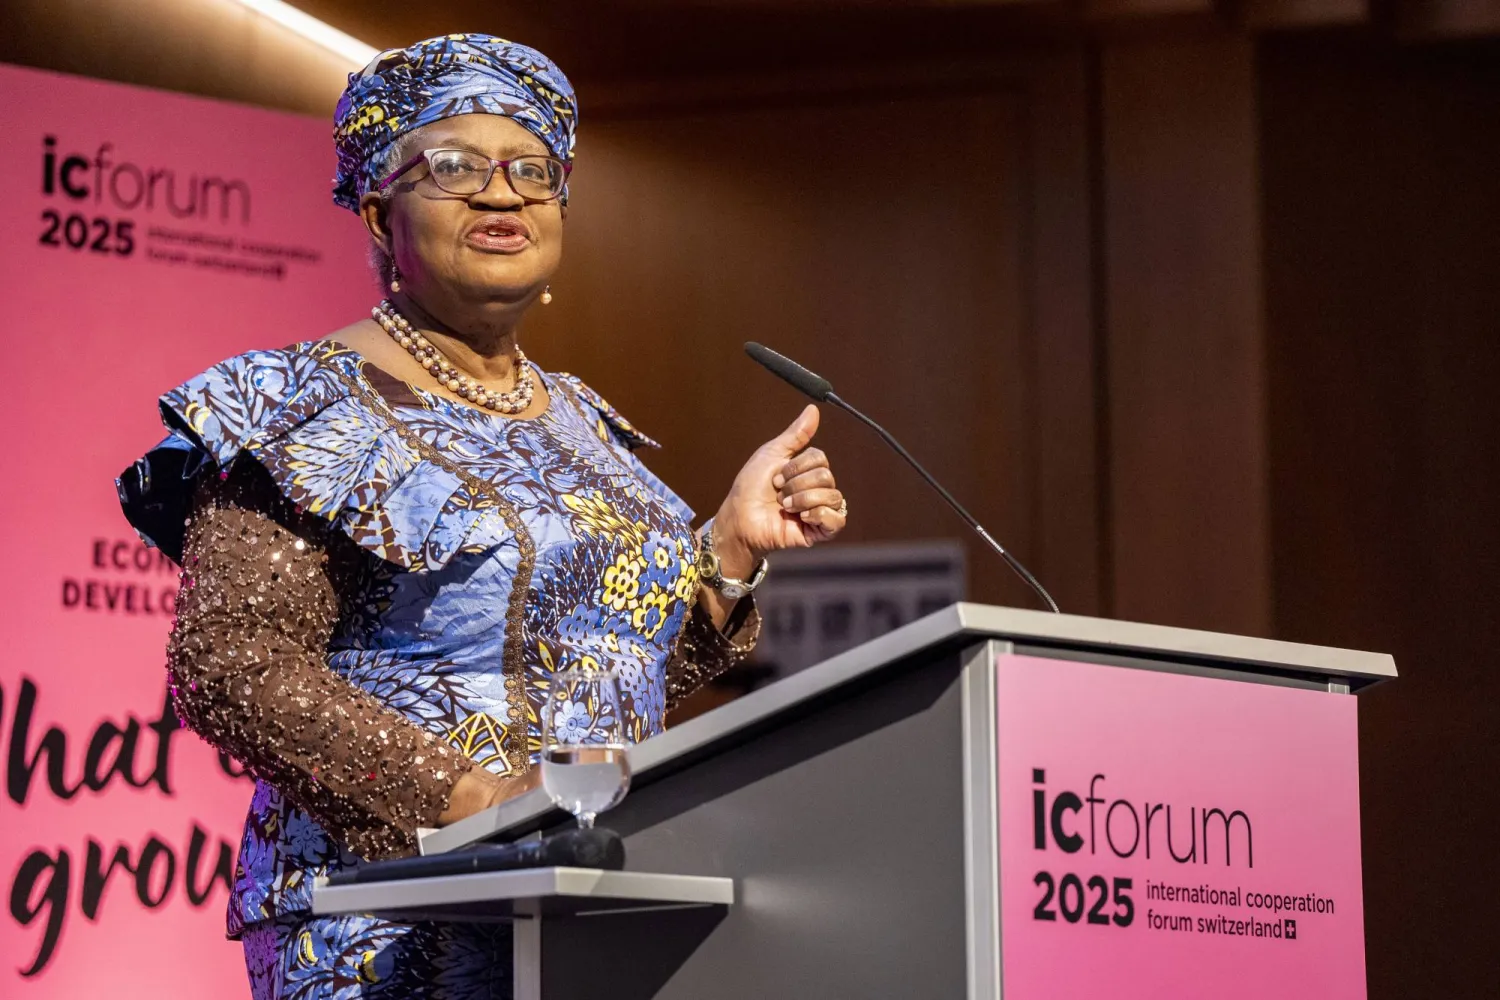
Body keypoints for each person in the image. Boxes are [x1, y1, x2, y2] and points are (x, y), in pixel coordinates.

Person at [117, 34, 847, 999]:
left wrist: (726, 552)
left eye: (533, 171)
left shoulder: (588, 427)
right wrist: (477, 807)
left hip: (583, 906)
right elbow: (233, 667)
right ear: (381, 212)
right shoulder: (289, 405)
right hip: (386, 922)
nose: (502, 195)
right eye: (456, 167)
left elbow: (619, 674)